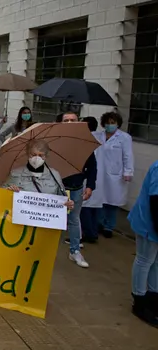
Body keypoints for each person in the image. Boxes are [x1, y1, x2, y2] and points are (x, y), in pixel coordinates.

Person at [87, 112, 134, 238]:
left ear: (118, 124)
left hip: (116, 175)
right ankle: (99, 224)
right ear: (103, 123)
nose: (110, 125)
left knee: (112, 202)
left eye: (113, 123)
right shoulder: (97, 135)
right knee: (100, 200)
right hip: (100, 172)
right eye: (107, 122)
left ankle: (109, 226)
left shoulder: (124, 138)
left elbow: (127, 156)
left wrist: (128, 171)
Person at [59, 111, 96, 268]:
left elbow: (93, 166)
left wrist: (90, 185)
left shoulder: (84, 142)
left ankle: (74, 251)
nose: (69, 123)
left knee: (74, 220)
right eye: (66, 120)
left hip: (76, 188)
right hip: (58, 189)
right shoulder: (56, 141)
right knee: (51, 221)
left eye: (73, 120)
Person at [127, 159, 158, 327]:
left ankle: (153, 299)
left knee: (157, 263)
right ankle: (139, 301)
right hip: (149, 223)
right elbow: (156, 202)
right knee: (144, 260)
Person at [4, 139, 74, 208]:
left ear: (46, 156)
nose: (37, 158)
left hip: (47, 217)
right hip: (22, 216)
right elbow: (2, 195)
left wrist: (68, 204)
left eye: (41, 155)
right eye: (33, 154)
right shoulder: (15, 174)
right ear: (28, 154)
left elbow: (62, 199)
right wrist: (10, 193)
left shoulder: (54, 175)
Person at [80, 116, 101, 243]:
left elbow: (92, 165)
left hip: (86, 179)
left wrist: (89, 184)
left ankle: (89, 233)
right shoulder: (99, 138)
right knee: (91, 207)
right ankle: (92, 232)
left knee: (84, 208)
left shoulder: (88, 140)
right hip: (90, 180)